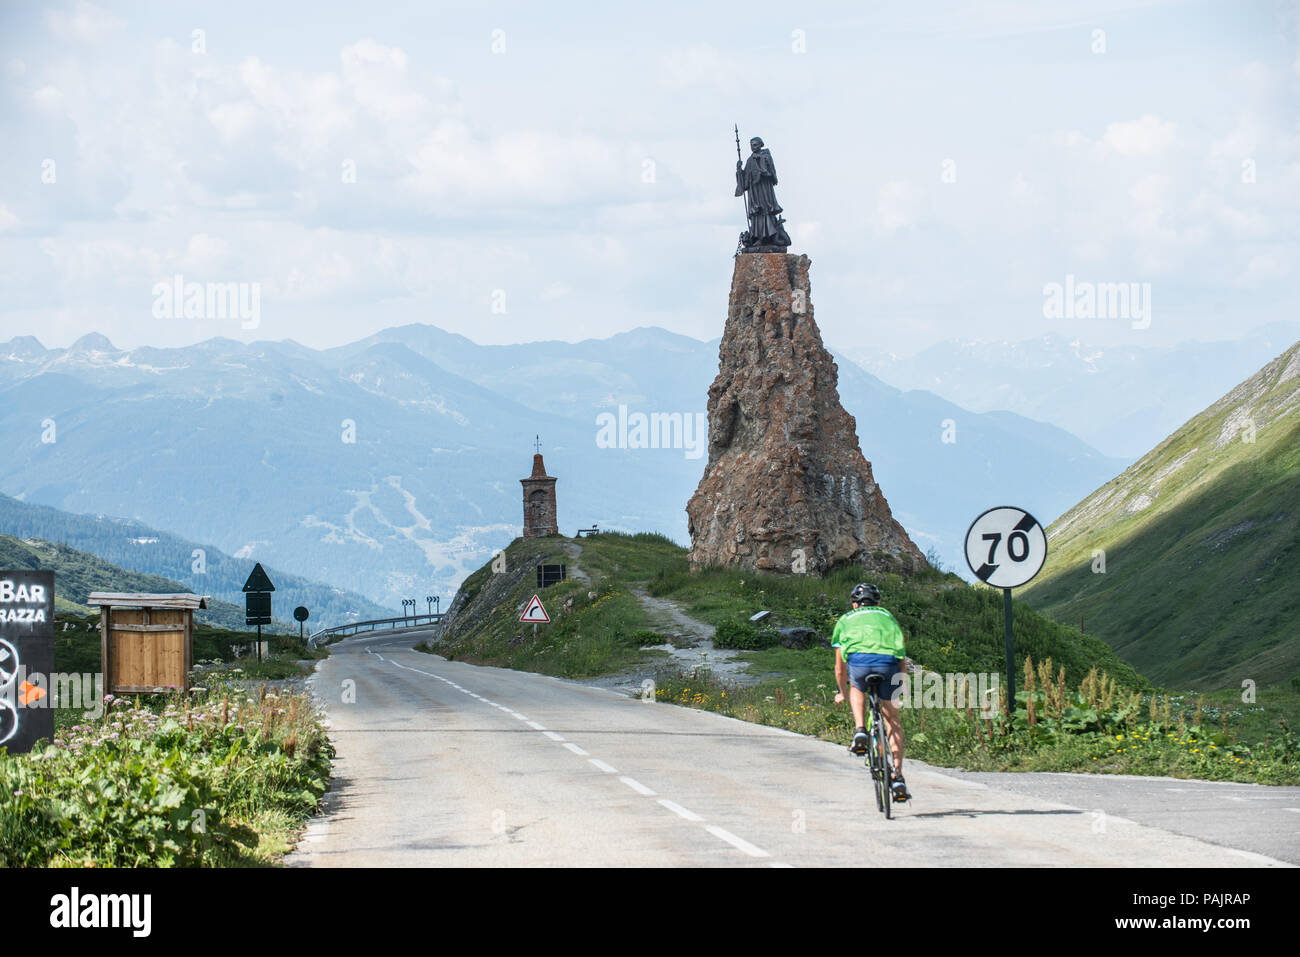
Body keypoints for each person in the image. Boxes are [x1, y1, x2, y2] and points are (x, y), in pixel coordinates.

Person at [832, 582, 911, 802]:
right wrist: (901, 682)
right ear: (878, 603)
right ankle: (897, 777)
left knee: (856, 686)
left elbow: (840, 667)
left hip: (860, 662)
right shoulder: (888, 617)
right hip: (888, 664)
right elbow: (900, 651)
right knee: (892, 721)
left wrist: (842, 691)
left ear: (854, 604)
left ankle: (860, 730)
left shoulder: (846, 619)